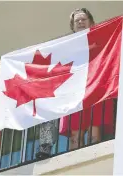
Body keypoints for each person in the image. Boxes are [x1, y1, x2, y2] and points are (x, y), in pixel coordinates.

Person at [59, 8, 115, 150]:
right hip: (74, 93)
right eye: (77, 21)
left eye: (83, 19)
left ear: (91, 22)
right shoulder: (66, 46)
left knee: (94, 134)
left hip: (96, 89)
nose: (80, 22)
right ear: (73, 26)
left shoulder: (102, 39)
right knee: (74, 137)